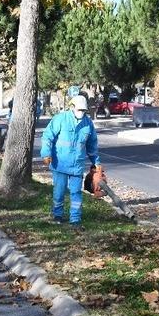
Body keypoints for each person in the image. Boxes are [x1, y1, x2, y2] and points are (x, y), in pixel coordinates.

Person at [40, 95, 100, 231]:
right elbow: (47, 136)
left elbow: (92, 146)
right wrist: (46, 153)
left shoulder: (88, 124)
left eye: (83, 110)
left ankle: (75, 219)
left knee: (76, 193)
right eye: (79, 109)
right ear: (71, 107)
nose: (81, 113)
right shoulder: (61, 119)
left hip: (77, 166)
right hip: (60, 163)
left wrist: (96, 163)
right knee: (59, 192)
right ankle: (57, 215)